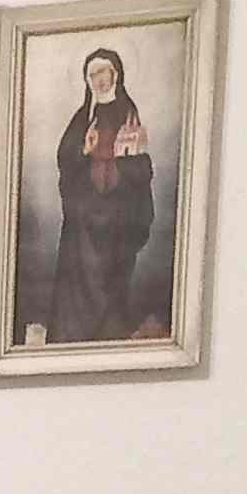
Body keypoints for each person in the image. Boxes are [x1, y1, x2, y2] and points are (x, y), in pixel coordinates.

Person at [49, 47, 156, 343]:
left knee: (114, 275)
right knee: (79, 276)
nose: (99, 79)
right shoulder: (83, 117)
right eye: (92, 74)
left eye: (103, 72)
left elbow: (141, 166)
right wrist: (84, 149)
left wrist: (128, 156)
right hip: (84, 215)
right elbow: (65, 158)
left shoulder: (129, 113)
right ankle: (73, 335)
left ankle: (110, 334)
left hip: (118, 212)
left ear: (115, 74)